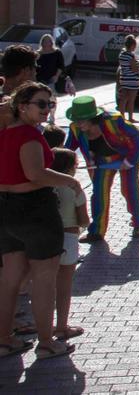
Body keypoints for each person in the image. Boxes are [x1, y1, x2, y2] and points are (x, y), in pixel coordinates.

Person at [0, 82, 86, 360]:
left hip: (7, 209)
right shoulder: (27, 135)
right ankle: (47, 342)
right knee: (44, 279)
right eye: (41, 104)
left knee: (10, 278)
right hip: (34, 210)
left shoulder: (6, 133)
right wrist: (70, 181)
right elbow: (35, 173)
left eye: (50, 103)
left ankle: (4, 338)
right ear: (22, 106)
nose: (47, 109)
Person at [65, 95, 139, 244]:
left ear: (93, 117)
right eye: (76, 119)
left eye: (82, 120)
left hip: (127, 156)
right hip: (103, 161)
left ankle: (138, 224)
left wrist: (129, 161)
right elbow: (67, 150)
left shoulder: (114, 121)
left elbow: (137, 137)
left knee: (129, 190)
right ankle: (96, 232)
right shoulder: (76, 129)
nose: (78, 123)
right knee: (99, 193)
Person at [49, 149, 86, 343]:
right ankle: (62, 326)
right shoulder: (73, 186)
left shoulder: (43, 183)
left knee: (44, 284)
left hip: (45, 236)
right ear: (71, 168)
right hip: (69, 236)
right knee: (64, 285)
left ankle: (44, 328)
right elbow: (84, 219)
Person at [116, 35, 139, 123]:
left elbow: (124, 67)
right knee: (131, 100)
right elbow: (134, 69)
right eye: (135, 45)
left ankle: (122, 117)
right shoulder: (131, 56)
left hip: (123, 79)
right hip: (132, 80)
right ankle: (130, 118)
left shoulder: (121, 54)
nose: (135, 47)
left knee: (123, 100)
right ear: (132, 45)